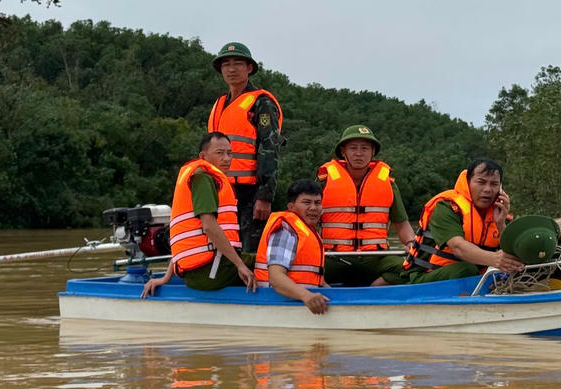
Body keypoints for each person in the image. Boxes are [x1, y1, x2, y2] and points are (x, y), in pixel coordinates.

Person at [141, 132, 258, 298]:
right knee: (268, 264)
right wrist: (240, 265)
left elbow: (186, 239)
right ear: (203, 156)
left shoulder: (196, 176)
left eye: (229, 153)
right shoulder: (203, 178)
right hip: (211, 271)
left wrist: (166, 278)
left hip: (198, 272)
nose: (226, 158)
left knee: (258, 259)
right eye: (220, 153)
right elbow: (209, 227)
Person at [207, 41, 284, 252]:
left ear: (249, 68)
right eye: (226, 64)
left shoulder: (261, 102)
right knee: (222, 250)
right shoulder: (219, 104)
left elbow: (270, 149)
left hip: (250, 193)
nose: (231, 69)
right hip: (220, 190)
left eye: (238, 63)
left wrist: (264, 196)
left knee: (250, 251)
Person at [316, 124, 414, 286]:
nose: (359, 153)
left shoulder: (387, 182)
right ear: (343, 151)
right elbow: (306, 221)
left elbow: (402, 225)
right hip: (333, 257)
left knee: (411, 269)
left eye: (365, 148)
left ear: (373, 152)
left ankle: (373, 290)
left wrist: (411, 244)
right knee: (303, 268)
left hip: (375, 258)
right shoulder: (324, 180)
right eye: (353, 148)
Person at [401, 158, 525, 283]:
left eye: (494, 184)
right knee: (466, 270)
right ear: (468, 182)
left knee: (524, 266)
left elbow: (514, 254)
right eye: (481, 182)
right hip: (426, 276)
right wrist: (495, 259)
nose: (487, 189)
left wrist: (501, 224)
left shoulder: (500, 211)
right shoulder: (446, 207)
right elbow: (458, 247)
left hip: (475, 277)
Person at [254, 179, 330, 314]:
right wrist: (306, 296)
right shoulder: (286, 230)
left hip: (299, 301)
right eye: (306, 202)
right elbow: (275, 277)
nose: (313, 208)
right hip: (277, 304)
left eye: (317, 203)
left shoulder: (307, 231)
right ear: (291, 207)